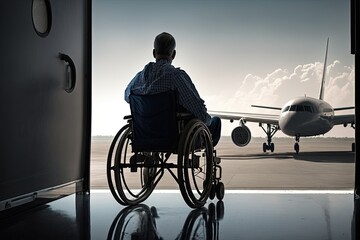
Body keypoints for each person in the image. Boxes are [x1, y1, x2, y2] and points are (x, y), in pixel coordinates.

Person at [125, 32, 221, 146]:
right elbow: (199, 111)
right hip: (174, 136)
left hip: (144, 134)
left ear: (154, 53)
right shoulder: (176, 77)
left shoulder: (138, 78)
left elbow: (127, 97)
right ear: (174, 54)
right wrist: (207, 121)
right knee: (215, 122)